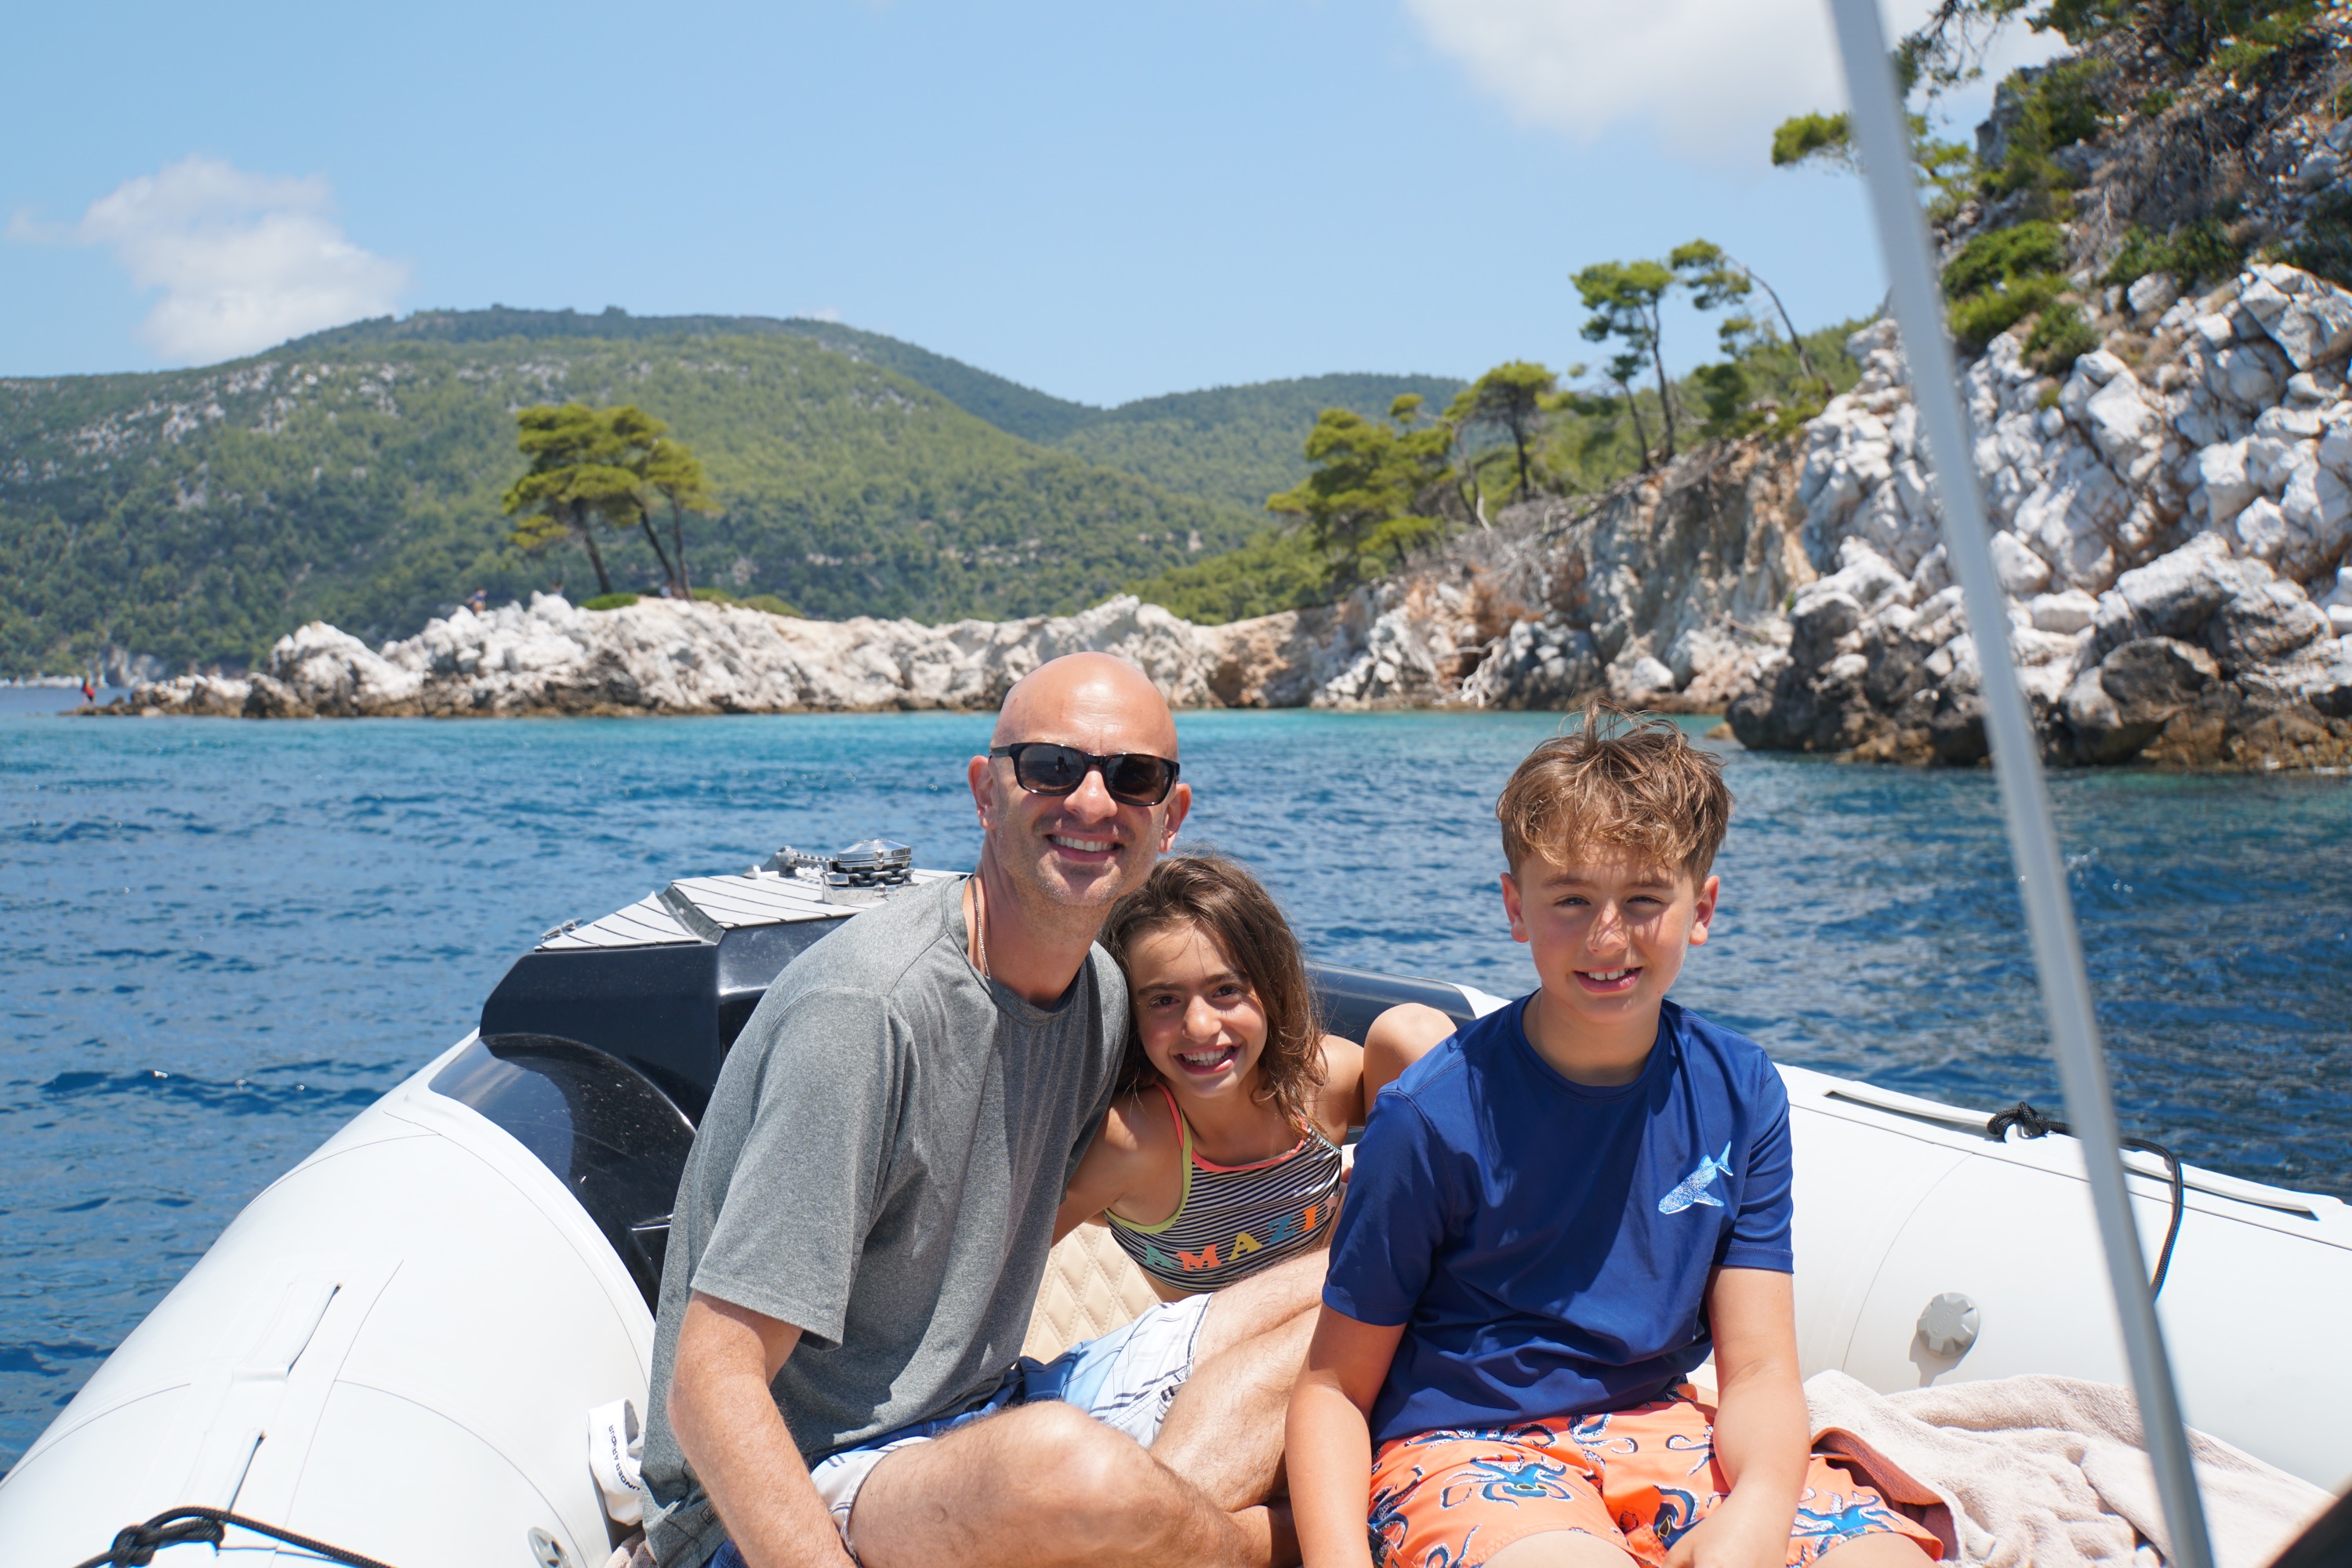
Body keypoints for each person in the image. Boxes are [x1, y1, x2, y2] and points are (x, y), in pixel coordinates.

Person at [643, 652, 1312, 1568]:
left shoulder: (1102, 995)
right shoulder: (870, 1011)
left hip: (988, 1408)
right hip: (809, 1479)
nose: (1091, 801)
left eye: (1132, 776)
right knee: (1070, 1468)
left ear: (1171, 815)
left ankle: (1165, 1539)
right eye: (1051, 767)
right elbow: (710, 1381)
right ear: (986, 793)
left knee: (1343, 1294)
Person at [1288, 711, 1944, 1568]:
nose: (1607, 936)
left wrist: (1757, 1510)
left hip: (1664, 1424)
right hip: (1467, 1441)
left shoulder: (1742, 1092)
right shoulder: (1429, 1115)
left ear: (1701, 909)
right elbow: (1334, 1387)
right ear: (1515, 907)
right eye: (1571, 899)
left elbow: (1757, 1372)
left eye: (1644, 900)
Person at [1058, 853, 1451, 1309]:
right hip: (1226, 1347)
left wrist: (1376, 1172)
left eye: (1226, 990)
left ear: (1271, 987)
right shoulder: (1127, 1142)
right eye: (1164, 1000)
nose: (1200, 1026)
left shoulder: (1320, 1083)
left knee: (1413, 1032)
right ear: (1130, 1015)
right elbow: (1004, 1252)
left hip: (1353, 1315)